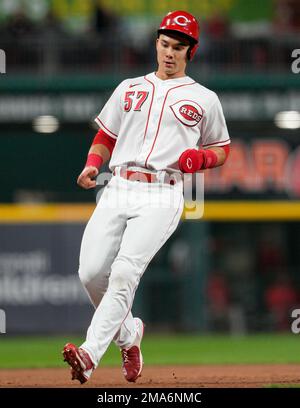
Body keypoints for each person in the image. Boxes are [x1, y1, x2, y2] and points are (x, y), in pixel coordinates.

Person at [62, 10, 231, 384]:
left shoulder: (204, 98)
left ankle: (89, 356)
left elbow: (221, 148)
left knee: (124, 272)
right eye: (165, 44)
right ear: (156, 43)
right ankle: (129, 334)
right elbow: (106, 136)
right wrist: (92, 164)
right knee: (90, 273)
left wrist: (200, 158)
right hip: (118, 185)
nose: (170, 52)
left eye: (179, 47)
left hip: (162, 191)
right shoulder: (128, 87)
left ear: (191, 52)